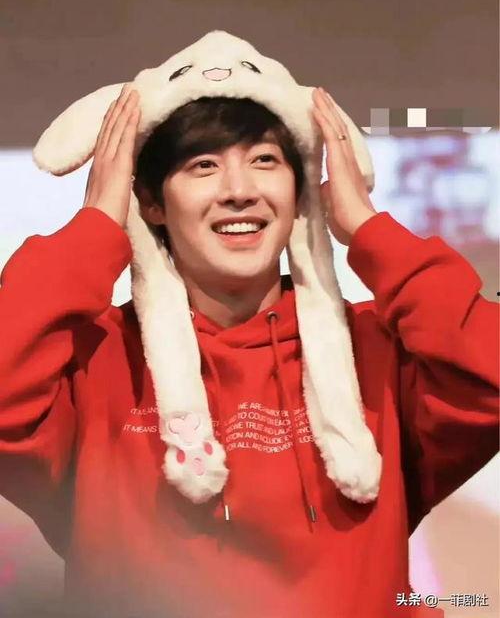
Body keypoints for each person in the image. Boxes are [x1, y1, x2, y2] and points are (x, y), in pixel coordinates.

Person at [0, 31, 498, 618]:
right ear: (151, 202)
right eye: (203, 166)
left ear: (301, 193)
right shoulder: (95, 360)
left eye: (265, 161)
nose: (239, 191)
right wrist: (96, 227)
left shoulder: (376, 351)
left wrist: (368, 228)